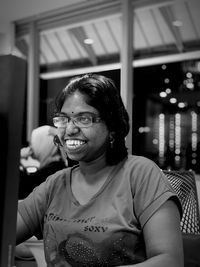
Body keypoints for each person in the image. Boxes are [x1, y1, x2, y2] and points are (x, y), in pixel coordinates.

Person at [16, 74, 184, 267]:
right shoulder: (55, 184)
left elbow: (170, 260)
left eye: (84, 118)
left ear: (112, 126)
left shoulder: (140, 174)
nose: (69, 129)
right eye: (63, 119)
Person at [18, 125, 69, 199]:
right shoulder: (58, 169)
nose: (31, 148)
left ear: (43, 144)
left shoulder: (49, 174)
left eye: (33, 143)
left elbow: (21, 189)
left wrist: (17, 158)